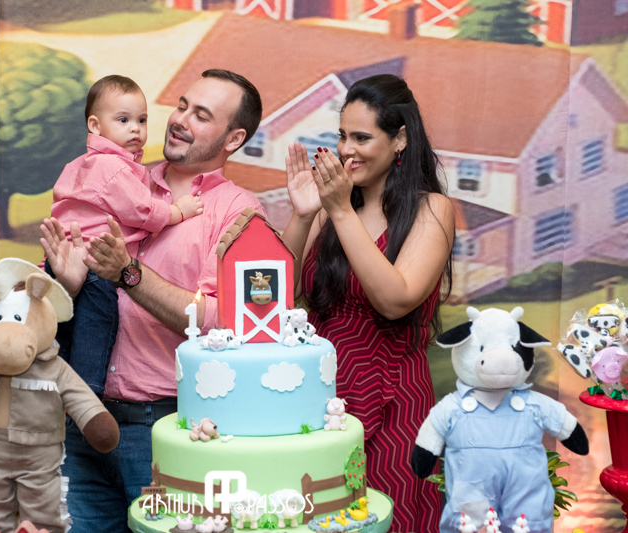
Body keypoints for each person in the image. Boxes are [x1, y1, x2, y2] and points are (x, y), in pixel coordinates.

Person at [39, 69, 265, 533]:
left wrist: (129, 275)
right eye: (182, 105)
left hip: (166, 428)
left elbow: (229, 323)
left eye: (201, 115)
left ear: (234, 138)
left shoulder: (240, 213)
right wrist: (66, 282)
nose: (179, 120)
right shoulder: (115, 176)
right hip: (84, 420)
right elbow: (56, 297)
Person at [281, 74, 455, 532]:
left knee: (387, 517)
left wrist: (340, 210)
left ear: (400, 139)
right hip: (321, 396)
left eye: (361, 137)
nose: (346, 150)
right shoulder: (330, 207)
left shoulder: (431, 210)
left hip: (395, 398)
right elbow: (278, 298)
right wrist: (303, 215)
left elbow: (395, 300)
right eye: (342, 136)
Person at [46, 75, 203, 397]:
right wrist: (179, 210)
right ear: (95, 125)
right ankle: (87, 402)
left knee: (62, 335)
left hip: (64, 258)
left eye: (141, 120)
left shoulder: (81, 164)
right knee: (97, 328)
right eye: (123, 120)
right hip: (94, 263)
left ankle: (58, 393)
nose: (135, 129)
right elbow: (142, 211)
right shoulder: (114, 167)